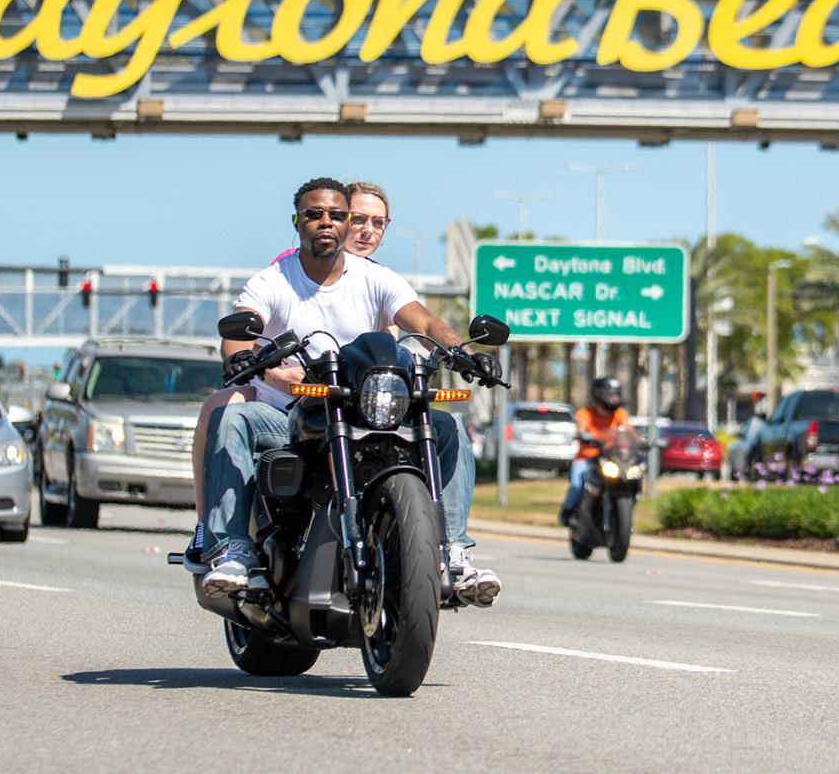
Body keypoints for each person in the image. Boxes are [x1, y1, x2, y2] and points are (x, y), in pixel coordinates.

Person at [198, 177, 501, 606]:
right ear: (297, 222)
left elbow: (425, 322)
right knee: (233, 417)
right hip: (291, 413)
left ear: (346, 222)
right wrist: (240, 356)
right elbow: (242, 324)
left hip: (367, 407)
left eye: (337, 215)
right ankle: (232, 550)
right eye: (314, 214)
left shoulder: (376, 279)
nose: (326, 222)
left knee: (446, 426)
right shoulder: (273, 280)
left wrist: (462, 352)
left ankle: (452, 552)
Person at [558, 375, 634, 527]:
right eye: (611, 395)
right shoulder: (584, 413)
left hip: (611, 458)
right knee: (577, 484)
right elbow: (581, 428)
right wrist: (584, 435)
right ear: (599, 394)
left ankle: (624, 520)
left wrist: (641, 441)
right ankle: (566, 512)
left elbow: (629, 431)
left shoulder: (620, 414)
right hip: (586, 459)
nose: (614, 398)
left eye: (617, 394)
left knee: (630, 480)